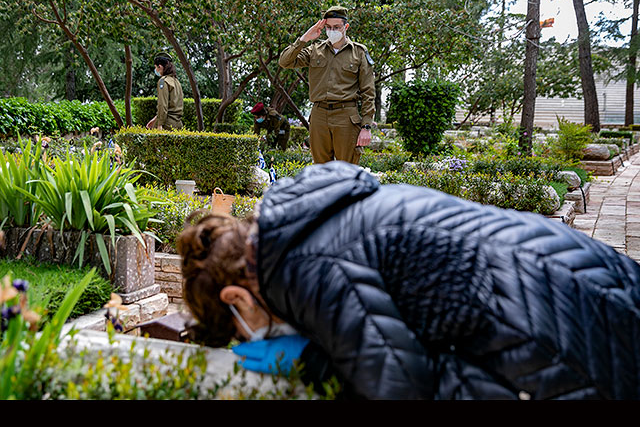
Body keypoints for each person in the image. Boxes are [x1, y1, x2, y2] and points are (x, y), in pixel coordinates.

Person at [177, 160, 640, 400]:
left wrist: (316, 366)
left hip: (573, 342)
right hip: (593, 281)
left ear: (237, 295)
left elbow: (404, 392)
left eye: (238, 325)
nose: (252, 333)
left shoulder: (308, 268)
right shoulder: (307, 223)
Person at [278, 6, 375, 165]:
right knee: (321, 171)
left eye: (336, 27)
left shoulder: (358, 52)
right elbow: (284, 62)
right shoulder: (315, 50)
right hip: (319, 116)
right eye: (328, 27)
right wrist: (304, 39)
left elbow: (368, 92)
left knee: (347, 171)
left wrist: (366, 126)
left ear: (346, 27)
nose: (332, 31)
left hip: (346, 116)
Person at [146, 53, 184, 130]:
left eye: (155, 67)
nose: (156, 70)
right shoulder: (176, 81)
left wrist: (160, 124)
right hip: (178, 124)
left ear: (160, 66)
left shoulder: (163, 81)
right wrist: (155, 119)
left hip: (167, 124)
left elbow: (163, 105)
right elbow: (171, 106)